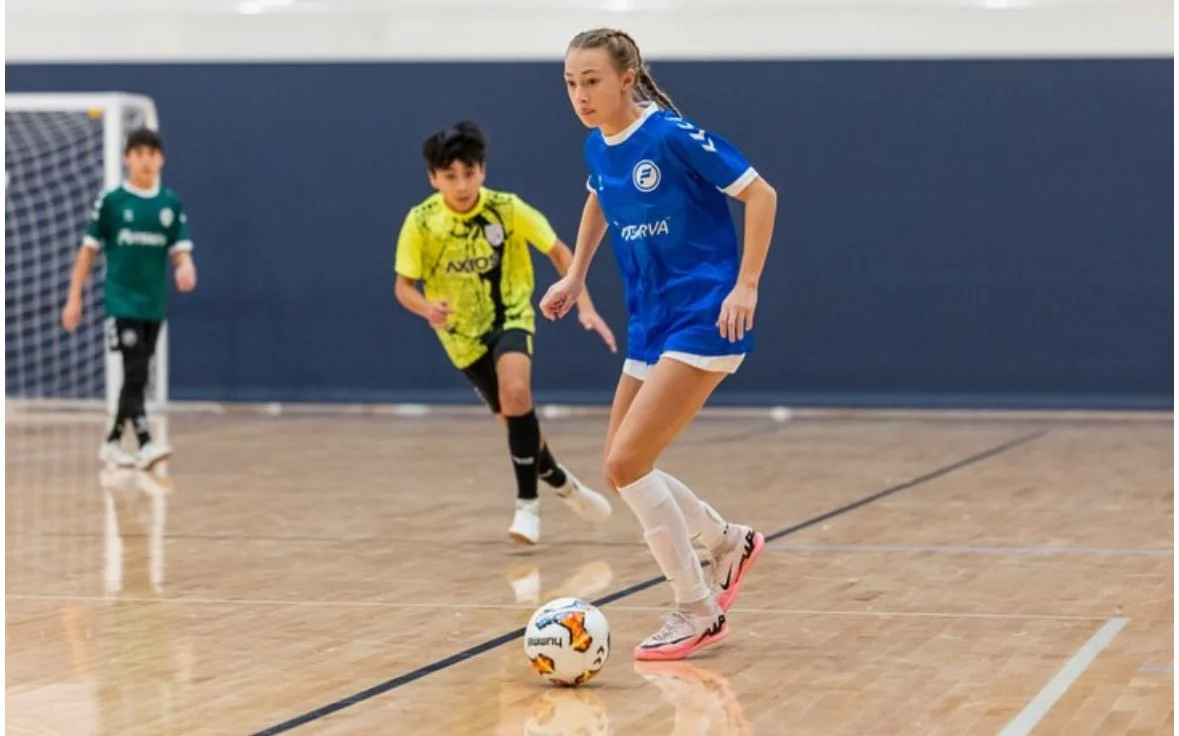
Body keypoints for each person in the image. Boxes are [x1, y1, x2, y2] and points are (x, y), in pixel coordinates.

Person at [541, 29, 779, 660]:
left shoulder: (671, 136)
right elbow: (599, 198)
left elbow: (761, 194)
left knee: (627, 465)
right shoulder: (599, 146)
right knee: (621, 467)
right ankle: (726, 540)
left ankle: (697, 608)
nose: (580, 95)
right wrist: (575, 273)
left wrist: (746, 285)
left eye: (591, 80)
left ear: (626, 78)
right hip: (651, 324)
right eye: (570, 83)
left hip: (705, 316)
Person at [394, 121, 616, 544]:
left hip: (511, 315)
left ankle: (527, 506)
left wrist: (584, 305)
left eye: (470, 173)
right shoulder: (421, 223)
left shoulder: (507, 209)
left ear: (483, 170)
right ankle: (561, 480)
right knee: (514, 420)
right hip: (461, 336)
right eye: (450, 176)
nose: (462, 185)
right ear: (433, 178)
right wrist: (427, 308)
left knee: (517, 394)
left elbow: (557, 249)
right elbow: (403, 286)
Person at [62, 128, 197, 470]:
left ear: (161, 159)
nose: (146, 161)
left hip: (153, 303)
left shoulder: (169, 203)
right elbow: (87, 252)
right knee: (135, 370)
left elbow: (180, 251)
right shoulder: (112, 202)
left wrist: (186, 267)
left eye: (152, 154)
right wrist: (74, 297)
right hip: (121, 301)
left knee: (138, 374)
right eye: (139, 154)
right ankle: (145, 441)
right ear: (127, 158)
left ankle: (111, 442)